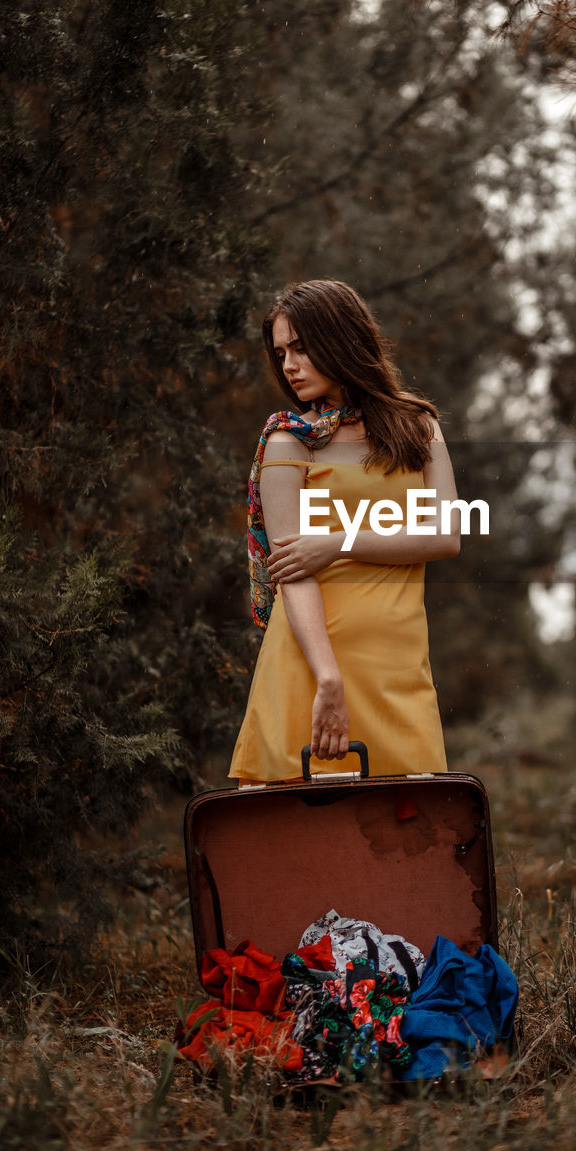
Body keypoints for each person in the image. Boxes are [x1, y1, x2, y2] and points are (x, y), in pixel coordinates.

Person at [228, 279, 460, 783]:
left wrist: (336, 542)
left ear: (342, 338)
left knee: (411, 838)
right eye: (281, 352)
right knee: (301, 844)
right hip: (310, 668)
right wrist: (327, 679)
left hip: (396, 669)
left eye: (302, 348)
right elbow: (292, 572)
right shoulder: (290, 442)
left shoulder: (418, 427)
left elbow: (445, 535)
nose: (289, 365)